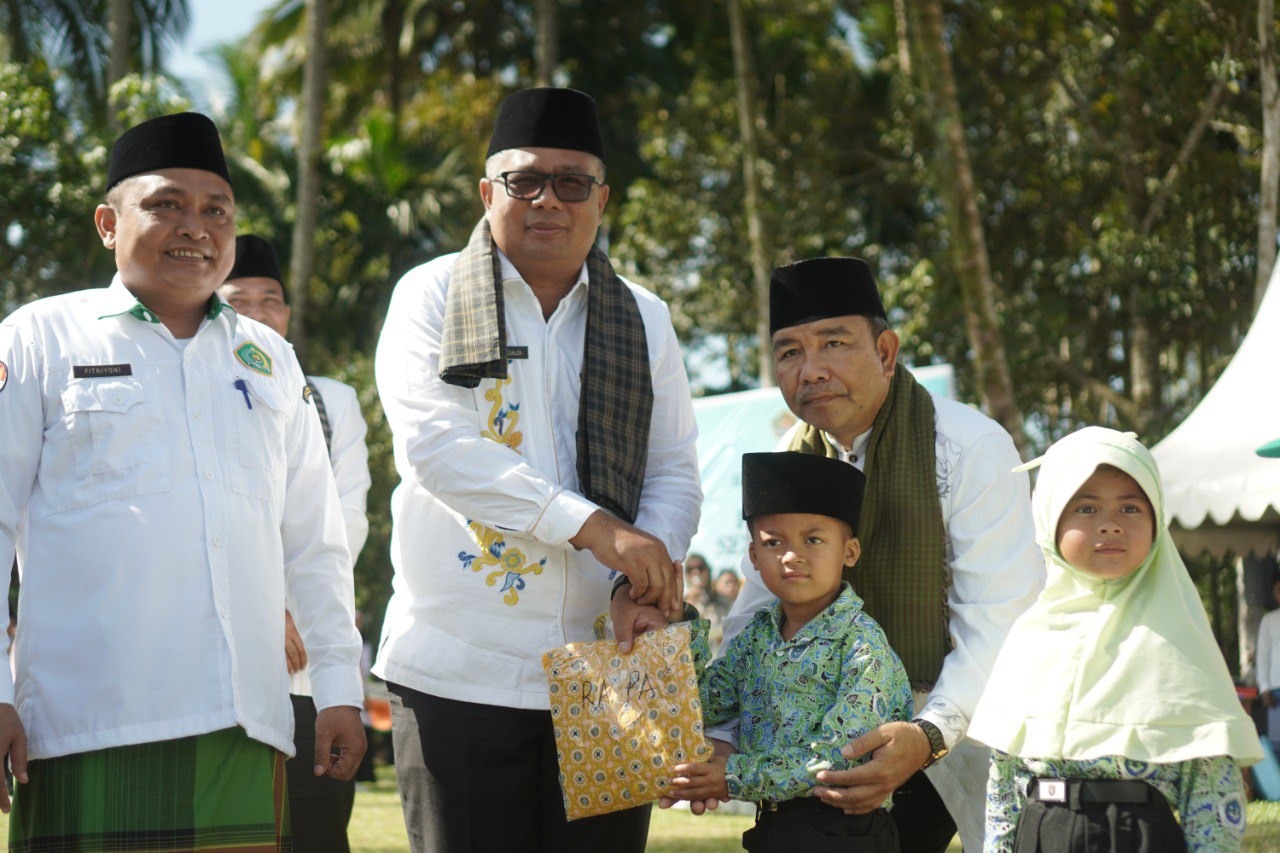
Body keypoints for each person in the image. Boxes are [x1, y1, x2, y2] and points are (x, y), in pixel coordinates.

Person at [0, 112, 366, 848]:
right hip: (83, 722)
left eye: (215, 210)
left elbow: (314, 538)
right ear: (109, 222)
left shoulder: (269, 359)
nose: (194, 226)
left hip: (243, 721)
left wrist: (339, 689)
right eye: (166, 204)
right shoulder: (40, 336)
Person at [618, 256, 1044, 851]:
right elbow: (758, 609)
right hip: (825, 756)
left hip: (960, 727)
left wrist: (927, 734)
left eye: (835, 343)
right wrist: (721, 736)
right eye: (790, 352)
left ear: (887, 351)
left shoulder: (969, 449)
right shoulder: (790, 457)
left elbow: (999, 620)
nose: (811, 370)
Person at [373, 87, 702, 852]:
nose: (547, 198)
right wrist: (595, 529)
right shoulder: (429, 293)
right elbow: (435, 447)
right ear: (489, 193)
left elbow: (674, 467)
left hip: (612, 664)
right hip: (459, 669)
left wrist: (641, 579)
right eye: (524, 180)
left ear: (601, 198)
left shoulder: (643, 314)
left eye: (571, 181)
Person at [968, 426, 1261, 851]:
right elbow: (1004, 779)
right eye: (1086, 509)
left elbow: (1211, 788)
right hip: (1042, 832)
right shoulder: (1030, 638)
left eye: (1130, 508)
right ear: (1050, 520)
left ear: (1157, 520)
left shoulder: (1178, 642)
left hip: (1138, 836)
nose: (1110, 526)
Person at [670, 451, 912, 852]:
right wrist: (680, 621)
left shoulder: (861, 645)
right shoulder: (757, 636)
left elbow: (841, 759)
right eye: (773, 542)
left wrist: (733, 776)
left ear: (849, 552)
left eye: (813, 539)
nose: (791, 555)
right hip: (774, 824)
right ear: (753, 557)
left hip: (844, 832)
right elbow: (703, 703)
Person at [219, 233, 373, 852]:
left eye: (272, 299)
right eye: (241, 299)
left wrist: (295, 609)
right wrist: (265, 610)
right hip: (225, 661)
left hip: (307, 659)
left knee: (315, 826)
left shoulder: (331, 400)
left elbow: (344, 519)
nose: (259, 313)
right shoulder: (192, 395)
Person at [1258, 580, 1280, 754]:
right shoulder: (1269, 619)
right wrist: (1264, 687)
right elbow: (1263, 656)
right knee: (1277, 744)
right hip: (1276, 690)